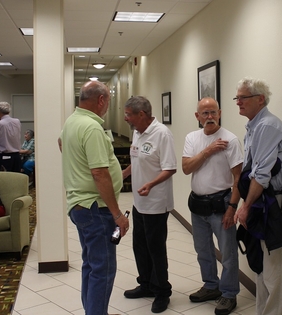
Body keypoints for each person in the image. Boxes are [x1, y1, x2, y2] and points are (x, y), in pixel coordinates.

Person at [59, 81, 129, 315]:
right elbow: (99, 173)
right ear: (100, 100)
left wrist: (76, 162)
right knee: (103, 268)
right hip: (95, 209)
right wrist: (117, 214)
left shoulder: (72, 121)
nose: (108, 105)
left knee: (91, 265)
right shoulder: (91, 127)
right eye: (108, 100)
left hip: (80, 207)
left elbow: (61, 142)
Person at [233, 77, 282, 315]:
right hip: (262, 203)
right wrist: (247, 204)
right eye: (237, 98)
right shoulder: (253, 127)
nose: (238, 102)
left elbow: (260, 174)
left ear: (260, 99)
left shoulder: (267, 126)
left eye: (243, 98)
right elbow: (251, 173)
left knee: (276, 270)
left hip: (277, 206)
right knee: (262, 268)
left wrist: (245, 205)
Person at [182, 97, 243, 315]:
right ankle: (211, 286)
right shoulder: (192, 138)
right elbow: (186, 168)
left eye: (213, 112)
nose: (209, 117)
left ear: (220, 113)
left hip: (222, 203)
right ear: (197, 116)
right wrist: (208, 151)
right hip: (198, 205)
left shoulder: (230, 140)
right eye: (204, 113)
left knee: (227, 253)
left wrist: (232, 208)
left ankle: (228, 294)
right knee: (203, 250)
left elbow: (238, 178)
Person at [121, 96, 177, 314]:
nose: (126, 118)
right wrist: (122, 175)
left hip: (156, 203)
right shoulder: (137, 131)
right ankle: (146, 284)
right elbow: (135, 160)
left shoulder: (162, 134)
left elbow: (170, 168)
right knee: (140, 247)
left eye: (128, 114)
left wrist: (151, 184)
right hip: (139, 202)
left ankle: (162, 291)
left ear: (141, 114)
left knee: (156, 250)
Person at [0, 101, 22, 172]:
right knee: (16, 178)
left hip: (4, 156)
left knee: (5, 180)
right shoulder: (17, 121)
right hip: (17, 156)